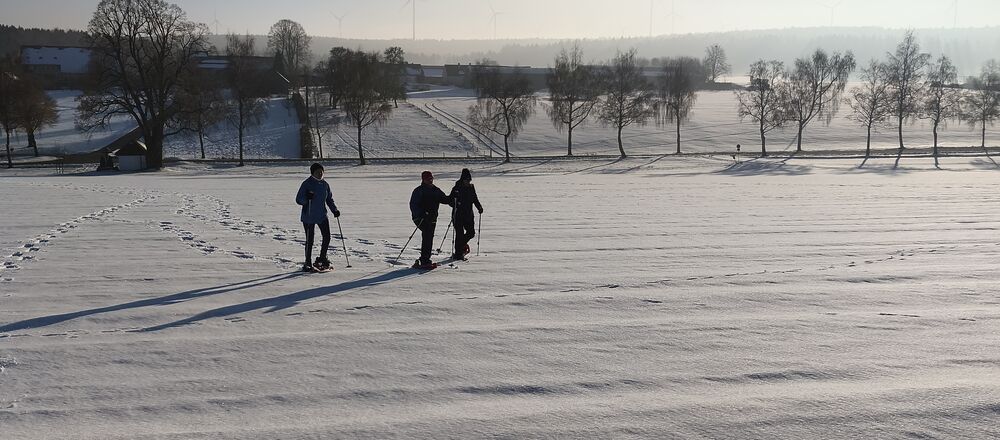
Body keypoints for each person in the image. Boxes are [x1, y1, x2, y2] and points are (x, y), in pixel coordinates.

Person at [295, 163, 340, 272]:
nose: (320, 174)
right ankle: (308, 262)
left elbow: (329, 199)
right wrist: (306, 198)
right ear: (312, 173)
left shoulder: (325, 185)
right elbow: (298, 200)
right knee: (309, 240)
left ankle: (322, 258)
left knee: (327, 237)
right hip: (308, 216)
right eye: (317, 172)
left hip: (322, 215)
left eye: (321, 172)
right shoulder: (307, 184)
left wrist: (334, 210)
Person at [409, 170, 453, 269]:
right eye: (428, 179)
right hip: (420, 218)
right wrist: (421, 214)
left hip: (432, 218)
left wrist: (453, 198)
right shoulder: (418, 191)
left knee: (429, 237)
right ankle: (425, 260)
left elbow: (445, 199)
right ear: (423, 180)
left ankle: (425, 259)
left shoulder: (435, 190)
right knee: (427, 235)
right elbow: (413, 205)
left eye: (431, 179)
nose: (430, 181)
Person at [449, 168, 484, 260]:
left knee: (471, 233)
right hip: (458, 215)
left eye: (469, 180)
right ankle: (458, 253)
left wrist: (479, 207)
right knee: (459, 234)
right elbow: (450, 201)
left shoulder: (471, 188)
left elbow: (475, 199)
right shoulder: (456, 188)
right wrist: (455, 203)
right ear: (462, 179)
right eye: (466, 180)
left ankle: (461, 246)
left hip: (468, 214)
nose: (468, 182)